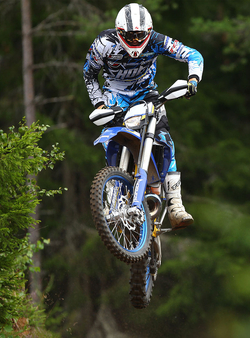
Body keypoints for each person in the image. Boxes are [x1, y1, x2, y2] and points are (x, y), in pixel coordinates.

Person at [83, 3, 203, 230]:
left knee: (166, 139)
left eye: (140, 35)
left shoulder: (158, 40)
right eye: (130, 36)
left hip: (147, 95)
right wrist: (99, 103)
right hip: (114, 97)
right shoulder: (103, 44)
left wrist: (193, 78)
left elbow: (192, 54)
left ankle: (176, 205)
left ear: (148, 32)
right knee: (111, 139)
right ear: (119, 33)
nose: (136, 41)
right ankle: (113, 197)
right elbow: (89, 73)